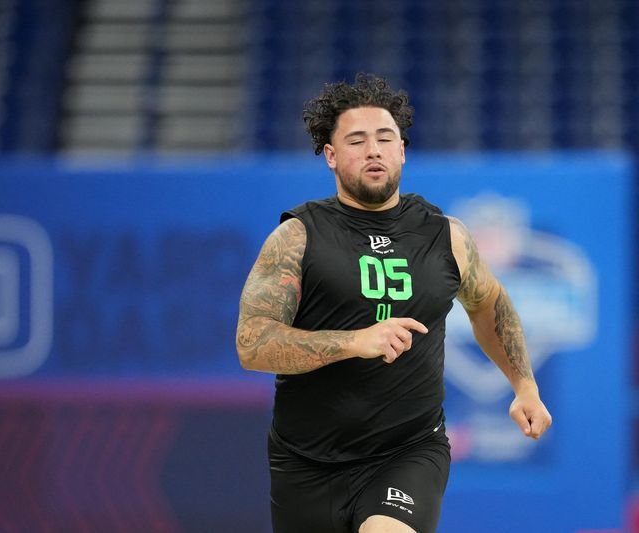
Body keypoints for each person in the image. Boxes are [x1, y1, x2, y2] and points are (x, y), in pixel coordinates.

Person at [235, 73, 552, 533]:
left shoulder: (446, 236)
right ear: (331, 155)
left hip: (408, 451)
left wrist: (524, 384)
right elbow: (252, 343)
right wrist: (353, 342)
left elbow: (490, 304)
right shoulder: (298, 237)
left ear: (401, 150)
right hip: (306, 460)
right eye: (357, 140)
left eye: (385, 138)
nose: (373, 150)